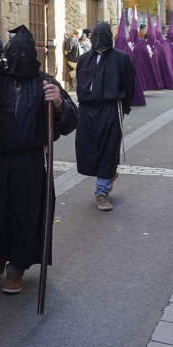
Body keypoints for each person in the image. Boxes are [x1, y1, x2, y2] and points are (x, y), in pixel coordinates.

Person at [0, 26, 77, 294]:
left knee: (24, 215)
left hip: (28, 162)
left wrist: (58, 103)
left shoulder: (46, 83)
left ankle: (16, 268)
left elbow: (71, 120)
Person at [74, 21, 136, 212]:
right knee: (89, 148)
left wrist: (123, 108)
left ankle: (101, 191)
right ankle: (107, 175)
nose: (99, 40)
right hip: (87, 110)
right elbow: (79, 82)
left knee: (108, 149)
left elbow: (129, 85)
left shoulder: (121, 59)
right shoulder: (84, 59)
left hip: (110, 109)